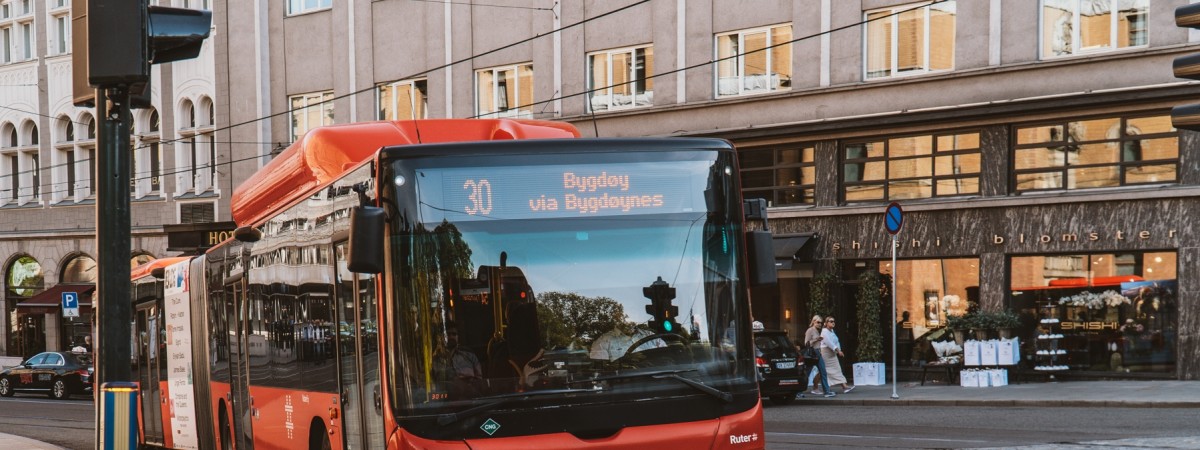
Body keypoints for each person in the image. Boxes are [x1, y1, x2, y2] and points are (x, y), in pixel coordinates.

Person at [437, 324, 485, 399]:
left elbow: (479, 379)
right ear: (443, 337)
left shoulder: (469, 354)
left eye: (454, 334)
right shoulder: (438, 357)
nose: (451, 337)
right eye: (448, 334)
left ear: (458, 336)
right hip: (448, 400)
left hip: (471, 398)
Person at [820, 316, 854, 394]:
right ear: (826, 323)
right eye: (831, 321)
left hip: (832, 353)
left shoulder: (832, 331)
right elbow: (829, 343)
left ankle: (844, 386)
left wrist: (839, 349)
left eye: (834, 321)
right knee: (828, 370)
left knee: (837, 369)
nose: (833, 322)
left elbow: (836, 341)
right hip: (826, 352)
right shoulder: (824, 332)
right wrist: (838, 351)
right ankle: (825, 387)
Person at [804, 315, 834, 398]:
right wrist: (816, 339)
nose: (819, 324)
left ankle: (826, 391)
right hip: (811, 354)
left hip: (818, 353)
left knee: (823, 371)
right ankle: (799, 392)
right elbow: (806, 343)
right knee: (807, 373)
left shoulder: (817, 331)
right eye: (818, 322)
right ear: (813, 321)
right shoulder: (810, 330)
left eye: (821, 323)